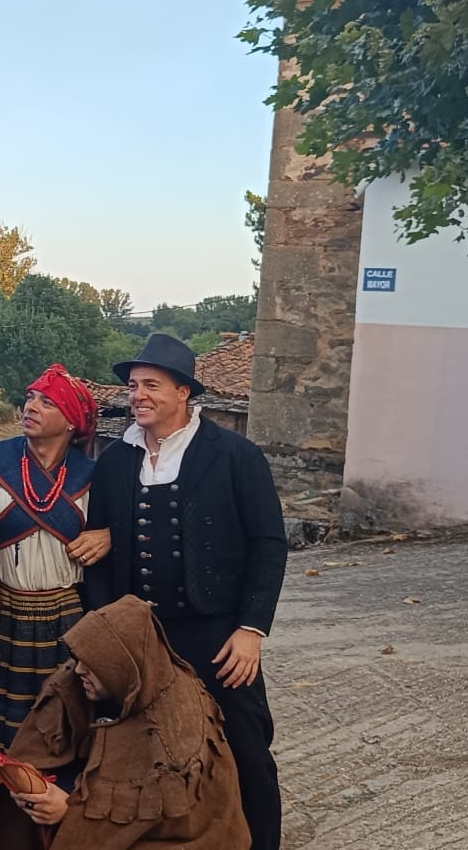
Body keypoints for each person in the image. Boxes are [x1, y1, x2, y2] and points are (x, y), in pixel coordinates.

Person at [79, 333, 288, 850]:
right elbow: (102, 546)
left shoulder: (235, 455)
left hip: (216, 630)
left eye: (152, 385)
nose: (138, 395)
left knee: (243, 744)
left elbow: (268, 544)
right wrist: (109, 626)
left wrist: (251, 629)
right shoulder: (116, 460)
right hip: (142, 633)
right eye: (132, 386)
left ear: (183, 393)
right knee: (142, 745)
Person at [0, 595, 251, 850]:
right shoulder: (75, 681)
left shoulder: (177, 729)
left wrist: (69, 813)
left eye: (90, 665)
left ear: (121, 666)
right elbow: (38, 747)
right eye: (78, 660)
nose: (78, 669)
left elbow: (155, 822)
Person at [0, 365, 102, 799]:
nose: (31, 406)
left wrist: (109, 535)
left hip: (66, 620)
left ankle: (54, 819)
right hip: (0, 616)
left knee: (60, 723)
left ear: (72, 421)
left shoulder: (98, 478)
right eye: (30, 397)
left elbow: (122, 537)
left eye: (47, 401)